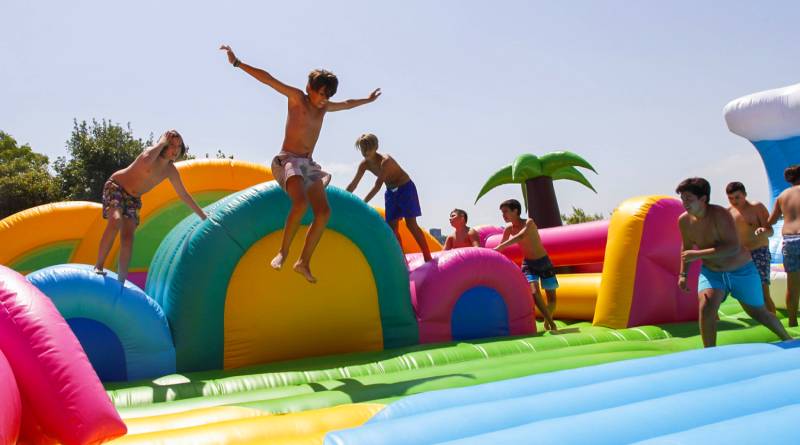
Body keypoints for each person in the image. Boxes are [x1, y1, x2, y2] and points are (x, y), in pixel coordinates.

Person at [220, 45, 381, 283]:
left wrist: (367, 100)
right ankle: (283, 252)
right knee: (300, 203)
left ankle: (303, 261)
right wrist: (237, 63)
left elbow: (347, 103)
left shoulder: (324, 108)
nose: (324, 99)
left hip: (307, 164)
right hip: (288, 160)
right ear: (310, 89)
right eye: (321, 93)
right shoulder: (297, 98)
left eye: (328, 96)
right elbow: (268, 80)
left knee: (324, 212)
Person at [676, 177, 791, 347]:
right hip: (712, 272)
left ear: (703, 199)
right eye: (683, 199)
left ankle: (788, 339)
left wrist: (698, 254)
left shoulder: (721, 215)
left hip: (741, 269)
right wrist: (683, 274)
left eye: (689, 199)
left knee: (758, 312)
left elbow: (732, 247)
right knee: (706, 308)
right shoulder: (684, 220)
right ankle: (710, 352)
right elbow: (686, 249)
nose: (685, 203)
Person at [94, 130, 207, 282]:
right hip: (117, 186)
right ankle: (99, 266)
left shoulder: (170, 170)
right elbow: (146, 160)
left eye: (178, 146)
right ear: (164, 145)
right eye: (171, 145)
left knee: (128, 237)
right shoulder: (149, 154)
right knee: (115, 220)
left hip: (133, 198)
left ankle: (121, 281)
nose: (175, 149)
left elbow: (184, 195)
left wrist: (203, 216)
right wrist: (160, 142)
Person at [346, 133, 432, 261]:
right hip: (391, 192)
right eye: (362, 148)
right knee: (392, 228)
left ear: (376, 147)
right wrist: (345, 197)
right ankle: (402, 260)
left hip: (405, 188)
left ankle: (427, 256)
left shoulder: (385, 161)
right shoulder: (364, 164)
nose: (365, 151)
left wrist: (363, 203)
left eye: (368, 148)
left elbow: (377, 186)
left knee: (411, 224)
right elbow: (353, 184)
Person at [493, 199, 558, 331]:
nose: (503, 215)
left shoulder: (529, 222)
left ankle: (547, 318)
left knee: (552, 299)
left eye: (506, 211)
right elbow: (500, 248)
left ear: (515, 211)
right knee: (534, 292)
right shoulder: (508, 229)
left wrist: (500, 247)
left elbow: (521, 236)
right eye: (502, 212)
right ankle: (551, 323)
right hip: (528, 263)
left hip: (544, 262)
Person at [726, 181, 776, 313]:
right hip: (741, 255)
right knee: (742, 290)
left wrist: (764, 231)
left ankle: (774, 321)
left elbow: (770, 231)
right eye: (731, 198)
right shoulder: (728, 212)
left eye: (737, 197)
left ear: (745, 195)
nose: (734, 201)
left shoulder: (756, 207)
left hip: (759, 252)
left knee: (763, 291)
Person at [767, 165, 800, 326]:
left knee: (792, 286)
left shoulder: (781, 196)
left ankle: (792, 321)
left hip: (789, 241)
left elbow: (771, 221)